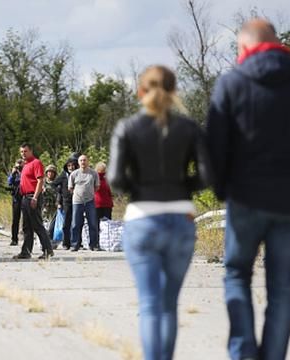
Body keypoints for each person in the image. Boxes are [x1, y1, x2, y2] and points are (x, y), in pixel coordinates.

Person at [206, 19, 290, 360]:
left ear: (245, 48)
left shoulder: (231, 83)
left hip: (245, 199)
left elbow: (215, 147)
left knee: (236, 276)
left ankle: (244, 355)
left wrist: (222, 190)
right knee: (280, 290)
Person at [107, 65, 212, 360]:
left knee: (150, 304)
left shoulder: (126, 128)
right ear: (174, 92)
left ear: (141, 91)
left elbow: (114, 178)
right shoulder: (190, 129)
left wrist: (140, 189)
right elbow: (208, 174)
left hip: (143, 219)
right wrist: (182, 188)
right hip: (181, 219)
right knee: (168, 305)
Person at [13, 143, 54, 260]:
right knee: (27, 226)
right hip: (25, 197)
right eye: (21, 152)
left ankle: (47, 250)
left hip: (32, 197)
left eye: (25, 151)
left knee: (37, 225)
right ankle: (26, 251)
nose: (23, 154)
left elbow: (40, 181)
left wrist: (35, 197)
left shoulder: (36, 163)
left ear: (31, 151)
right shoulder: (25, 165)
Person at [68, 154, 100, 251]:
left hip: (90, 201)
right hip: (77, 201)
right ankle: (75, 244)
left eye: (85, 160)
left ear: (88, 161)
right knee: (75, 224)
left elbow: (97, 186)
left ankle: (94, 245)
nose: (83, 162)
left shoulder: (94, 173)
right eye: (81, 160)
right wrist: (78, 194)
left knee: (93, 223)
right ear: (78, 162)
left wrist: (90, 193)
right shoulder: (74, 174)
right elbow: (70, 188)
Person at [54, 154, 79, 249]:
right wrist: (59, 195)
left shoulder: (78, 174)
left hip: (78, 201)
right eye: (69, 165)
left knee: (76, 223)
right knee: (66, 223)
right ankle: (66, 243)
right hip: (66, 201)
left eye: (72, 165)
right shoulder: (63, 175)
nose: (71, 167)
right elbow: (54, 184)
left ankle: (76, 243)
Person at [7, 159, 24, 246]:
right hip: (16, 198)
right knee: (15, 219)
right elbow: (9, 182)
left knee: (26, 219)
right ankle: (14, 239)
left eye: (20, 165)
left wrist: (21, 172)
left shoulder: (25, 172)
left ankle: (26, 238)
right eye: (17, 166)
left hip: (25, 197)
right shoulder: (14, 174)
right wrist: (13, 173)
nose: (19, 167)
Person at [94, 161, 113, 233]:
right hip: (107, 204)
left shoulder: (93, 178)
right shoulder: (107, 179)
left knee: (96, 224)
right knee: (108, 225)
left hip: (97, 204)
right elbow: (109, 192)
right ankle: (107, 240)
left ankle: (97, 240)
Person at [42, 164, 59, 246]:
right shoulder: (43, 182)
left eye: (52, 172)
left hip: (54, 205)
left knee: (53, 223)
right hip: (44, 205)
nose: (50, 174)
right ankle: (43, 239)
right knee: (44, 222)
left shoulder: (57, 182)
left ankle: (51, 239)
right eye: (48, 172)